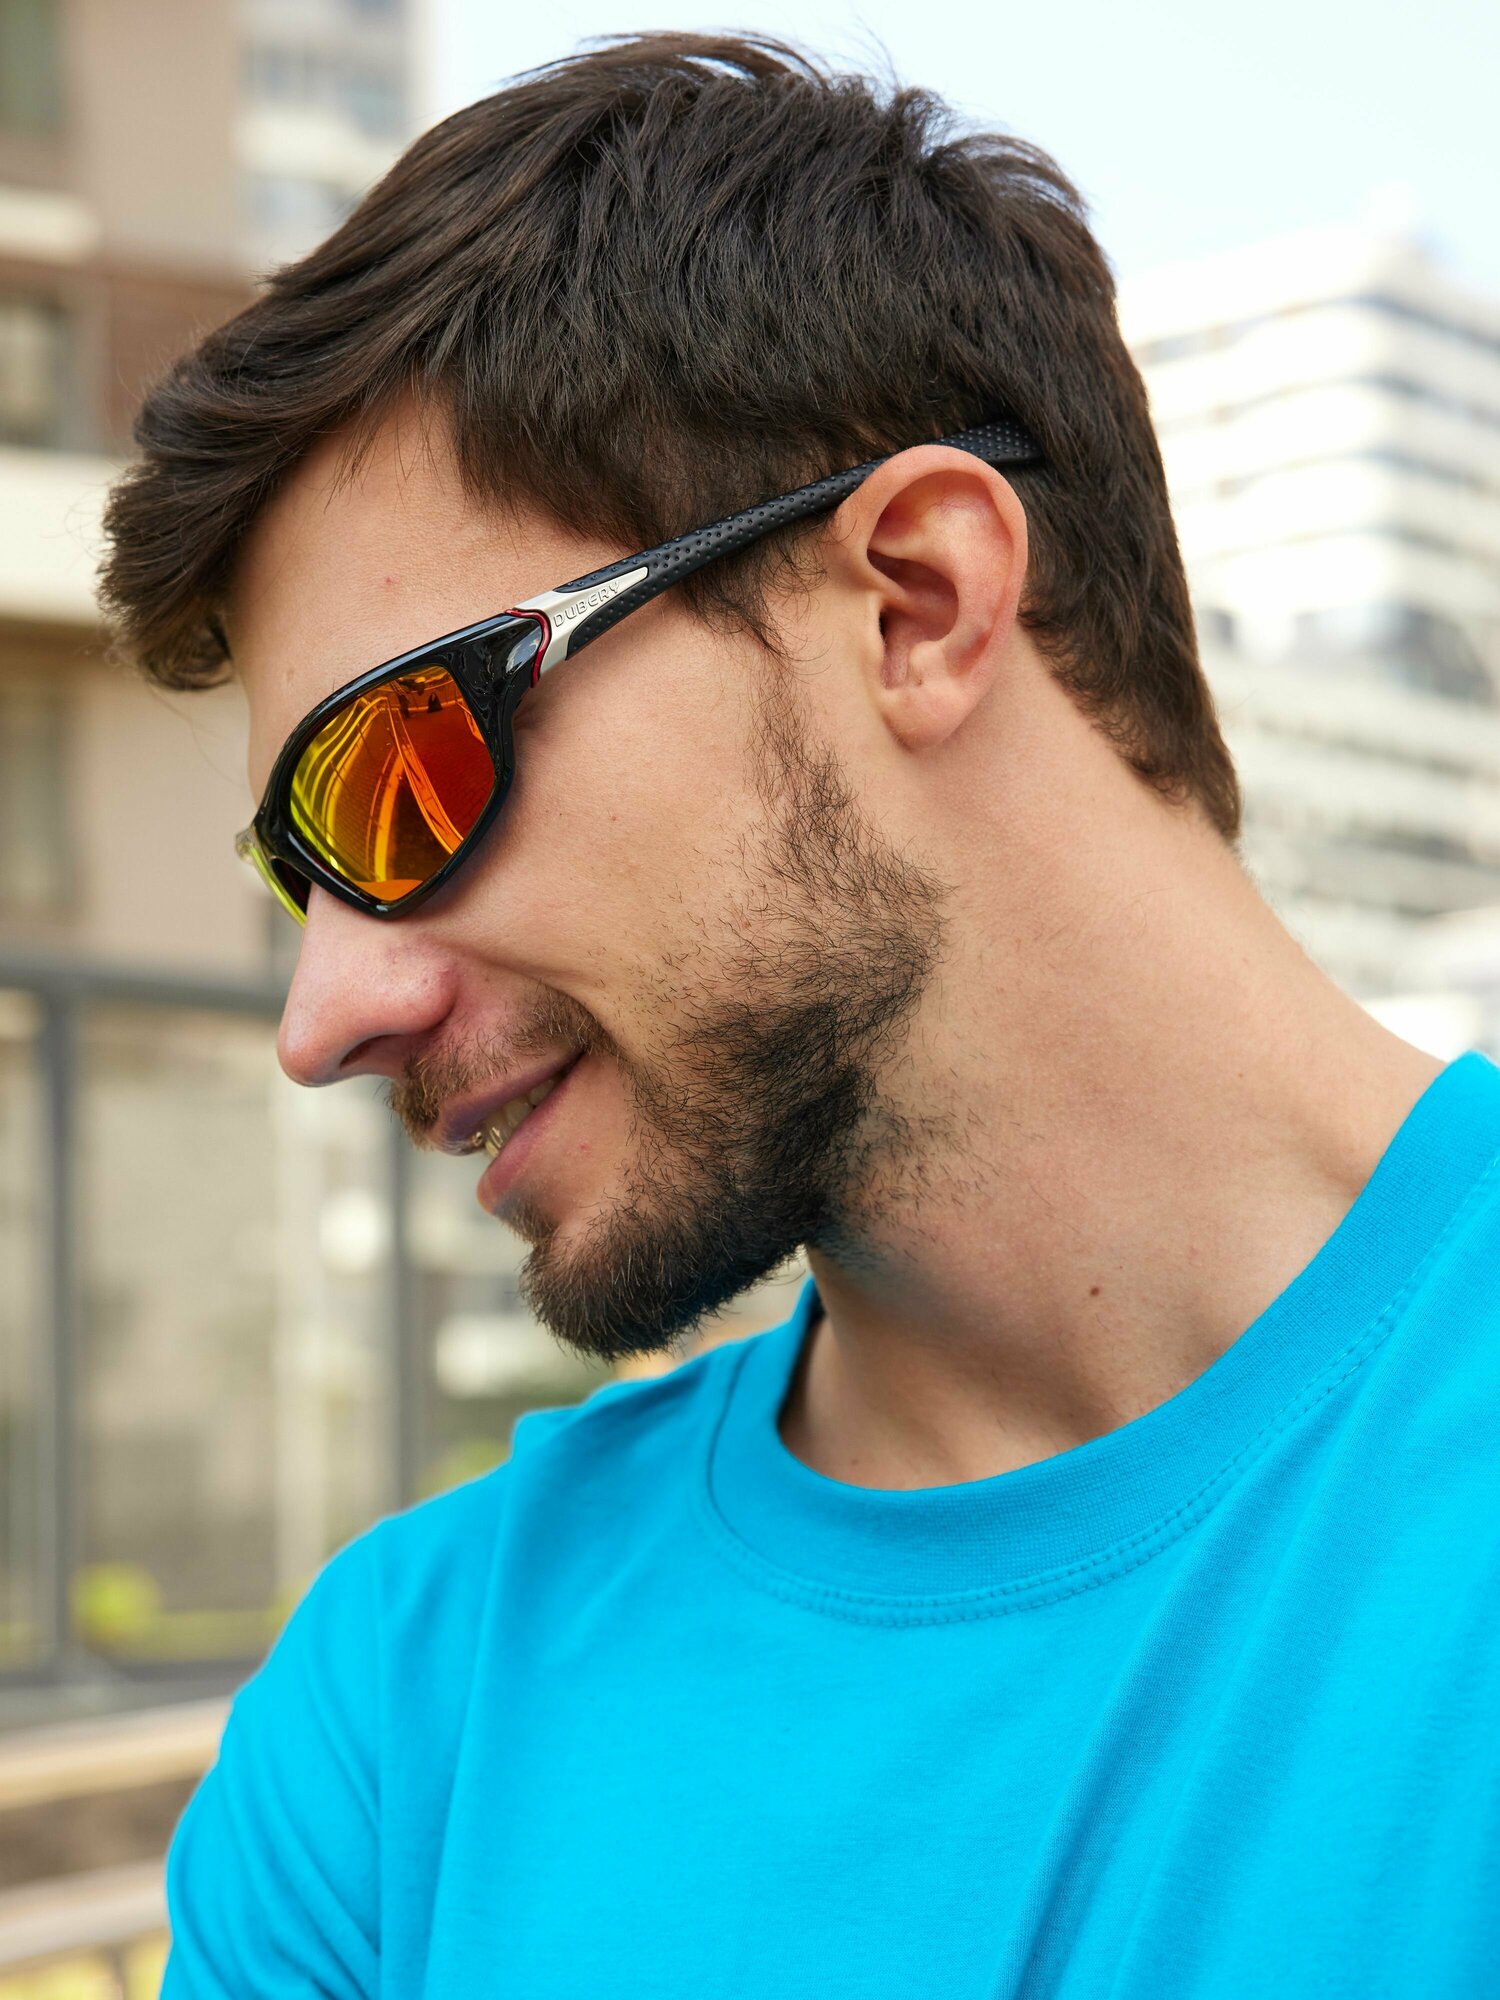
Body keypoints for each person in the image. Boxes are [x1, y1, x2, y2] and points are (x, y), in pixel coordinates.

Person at [98, 33, 1500, 1999]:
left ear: (916, 602)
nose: (325, 1015)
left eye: (402, 776)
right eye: (296, 877)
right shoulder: (400, 1728)